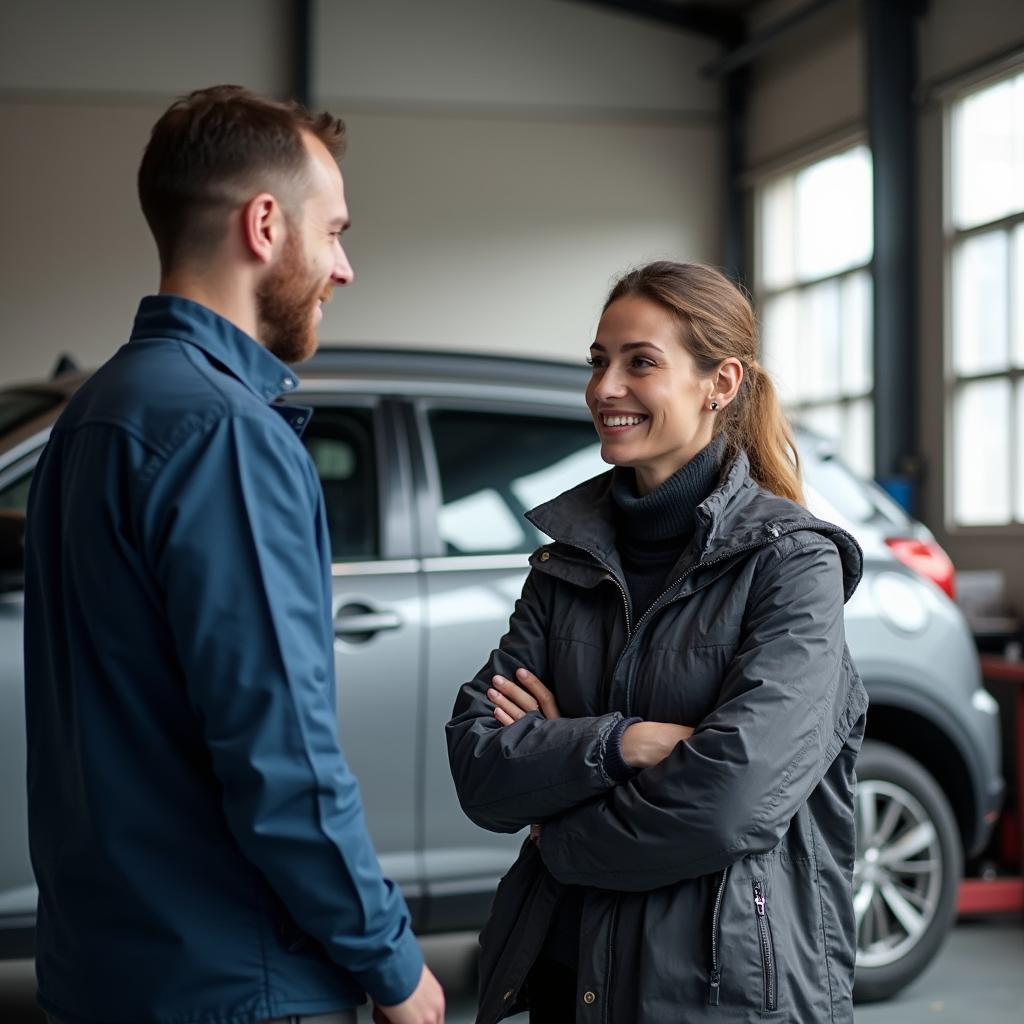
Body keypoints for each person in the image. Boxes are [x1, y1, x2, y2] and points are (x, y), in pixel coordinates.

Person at [23, 86, 444, 1024]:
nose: (345, 267)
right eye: (332, 231)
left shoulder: (98, 412)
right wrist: (393, 965)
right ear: (264, 224)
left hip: (106, 971)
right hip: (238, 984)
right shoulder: (225, 433)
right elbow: (281, 756)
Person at [446, 261, 868, 1024]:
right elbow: (479, 766)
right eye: (599, 362)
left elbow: (730, 804)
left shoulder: (793, 564)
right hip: (570, 980)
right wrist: (625, 744)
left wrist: (559, 826)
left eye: (640, 362)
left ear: (721, 382)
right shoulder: (568, 560)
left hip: (721, 992)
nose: (605, 388)